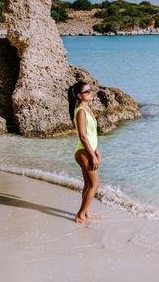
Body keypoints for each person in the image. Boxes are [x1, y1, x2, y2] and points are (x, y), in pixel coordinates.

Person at [68, 81, 101, 225]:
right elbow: (82, 136)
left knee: (88, 184)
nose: (90, 92)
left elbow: (92, 134)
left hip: (88, 150)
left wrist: (96, 150)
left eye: (91, 90)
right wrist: (92, 155)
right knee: (94, 184)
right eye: (87, 91)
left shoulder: (87, 109)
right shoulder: (80, 111)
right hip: (83, 152)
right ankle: (80, 215)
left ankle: (85, 213)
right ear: (79, 95)